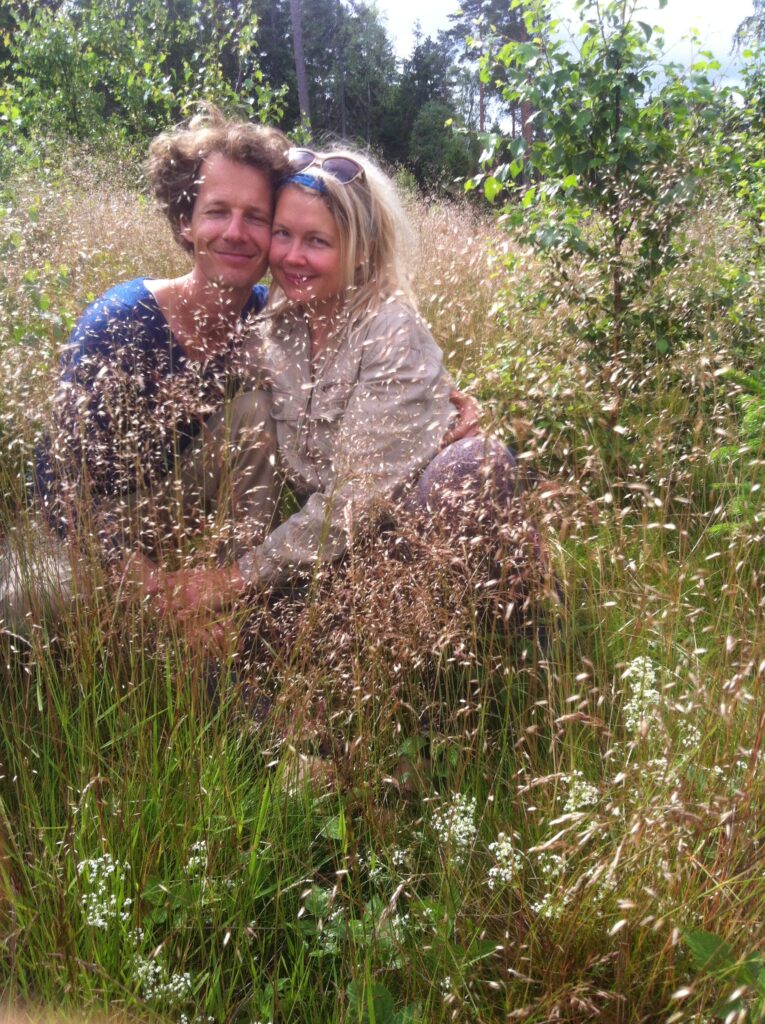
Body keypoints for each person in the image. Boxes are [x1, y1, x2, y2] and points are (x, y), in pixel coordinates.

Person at [22, 111, 479, 628]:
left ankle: (231, 611)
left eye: (258, 219)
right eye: (218, 212)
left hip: (211, 532)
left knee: (254, 414)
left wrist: (437, 399)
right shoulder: (127, 322)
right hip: (94, 535)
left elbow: (380, 379)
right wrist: (141, 582)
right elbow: (56, 484)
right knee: (25, 613)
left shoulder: (278, 318)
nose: (238, 234)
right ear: (185, 221)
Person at [159, 146, 523, 621]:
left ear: (362, 250)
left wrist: (233, 580)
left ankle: (506, 630)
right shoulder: (278, 324)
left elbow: (356, 501)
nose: (293, 257)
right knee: (248, 413)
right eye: (283, 234)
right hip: (326, 554)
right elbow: (217, 393)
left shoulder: (390, 331)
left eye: (317, 241)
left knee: (475, 464)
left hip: (403, 541)